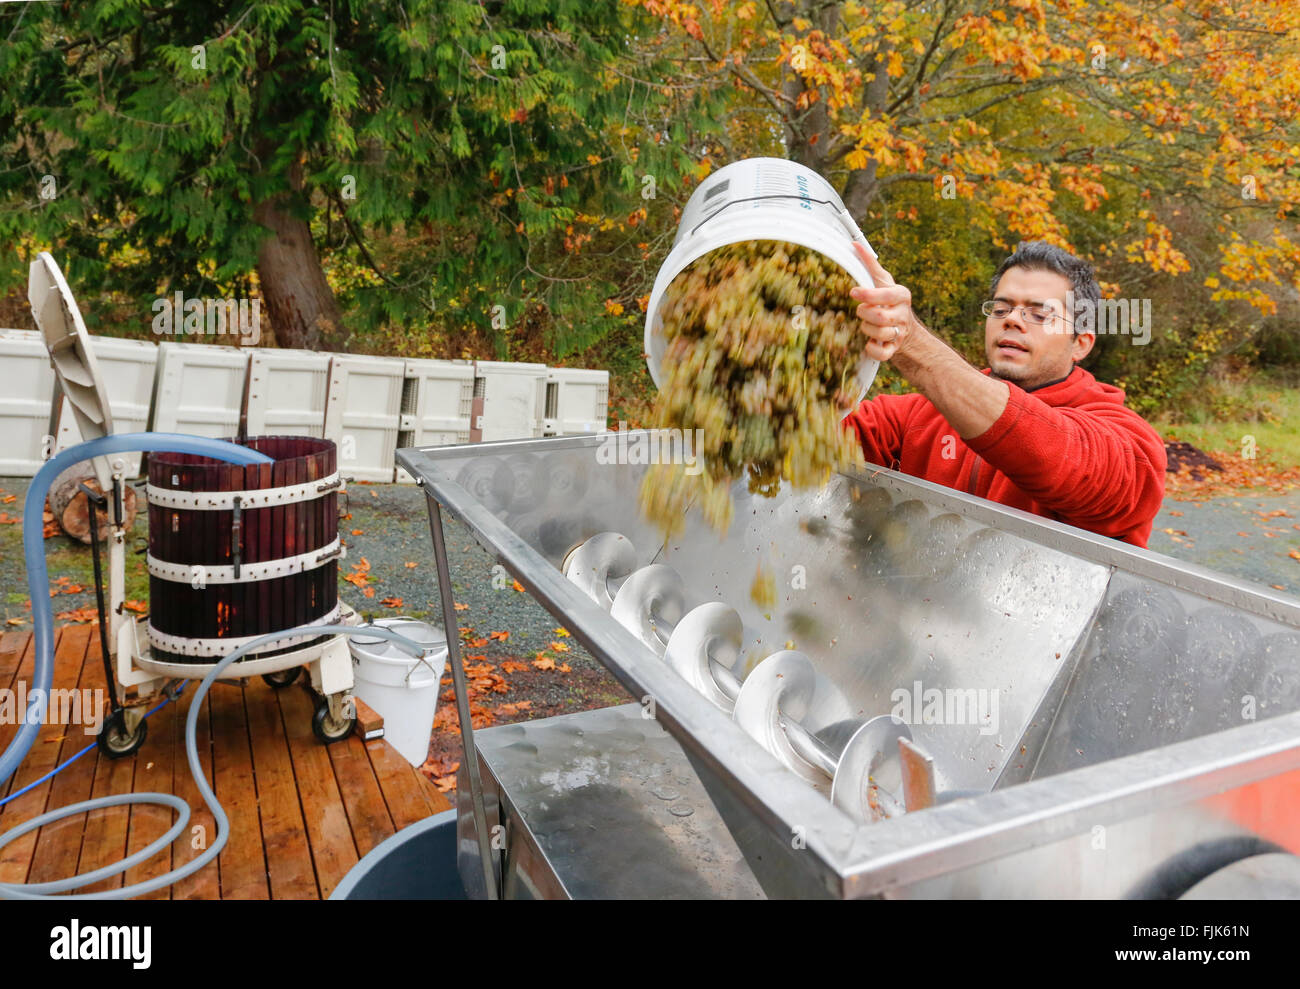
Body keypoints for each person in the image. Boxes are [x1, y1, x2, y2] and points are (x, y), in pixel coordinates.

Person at [842, 239, 1166, 548]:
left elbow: (1063, 458)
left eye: (1040, 315)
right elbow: (821, 430)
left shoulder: (1130, 443)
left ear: (1080, 344)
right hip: (923, 603)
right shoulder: (918, 415)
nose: (1012, 319)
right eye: (1001, 309)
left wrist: (912, 344)